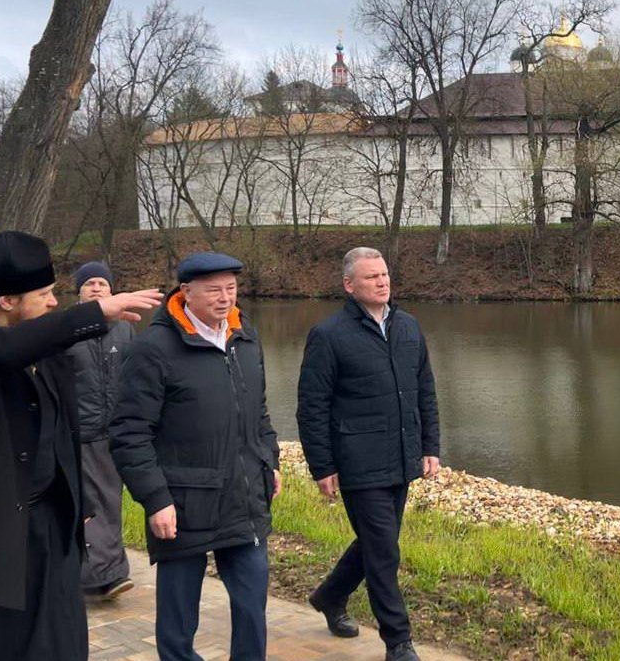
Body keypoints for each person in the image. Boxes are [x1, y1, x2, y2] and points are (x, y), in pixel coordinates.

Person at [0, 231, 163, 660]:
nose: (55, 302)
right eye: (43, 293)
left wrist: (76, 499)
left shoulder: (47, 347)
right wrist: (92, 312)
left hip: (53, 523)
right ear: (6, 300)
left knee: (62, 641)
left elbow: (63, 430)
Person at [110, 252, 280, 661]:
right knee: (178, 618)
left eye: (231, 289)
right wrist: (156, 499)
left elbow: (257, 411)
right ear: (185, 292)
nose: (225, 298)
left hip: (242, 498)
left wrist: (268, 459)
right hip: (183, 503)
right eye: (214, 290)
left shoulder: (245, 337)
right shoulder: (154, 349)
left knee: (252, 603)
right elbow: (130, 433)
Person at [297, 247, 440, 661]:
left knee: (377, 543)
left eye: (385, 274)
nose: (382, 281)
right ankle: (398, 642)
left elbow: (425, 392)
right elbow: (312, 407)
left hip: (401, 457)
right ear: (349, 285)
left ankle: (330, 596)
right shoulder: (329, 336)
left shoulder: (409, 327)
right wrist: (322, 466)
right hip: (358, 463)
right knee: (384, 552)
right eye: (371, 277)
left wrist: (430, 446)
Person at [68, 261, 137, 600]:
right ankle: (107, 575)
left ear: (112, 290)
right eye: (89, 283)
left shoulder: (124, 328)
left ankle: (93, 573)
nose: (96, 288)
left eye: (102, 283)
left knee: (108, 500)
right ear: (78, 290)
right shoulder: (64, 329)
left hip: (117, 432)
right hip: (80, 431)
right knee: (95, 502)